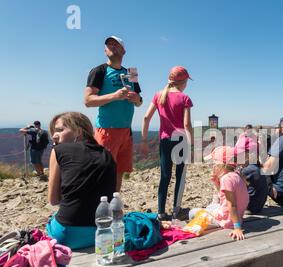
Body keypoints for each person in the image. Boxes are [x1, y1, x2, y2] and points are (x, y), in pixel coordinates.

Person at [46, 112, 117, 249]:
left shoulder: (58, 151)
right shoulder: (107, 154)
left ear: (79, 132)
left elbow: (53, 200)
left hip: (67, 235)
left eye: (60, 130)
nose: (54, 135)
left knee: (54, 218)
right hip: (103, 233)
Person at [84, 36, 143, 192]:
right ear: (105, 51)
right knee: (104, 172)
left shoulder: (131, 73)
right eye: (109, 45)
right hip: (107, 129)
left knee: (119, 172)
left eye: (116, 44)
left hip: (126, 130)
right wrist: (114, 96)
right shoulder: (99, 70)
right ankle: (99, 209)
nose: (112, 46)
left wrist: (137, 99)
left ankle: (113, 207)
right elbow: (88, 100)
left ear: (123, 50)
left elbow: (139, 101)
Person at [141, 66, 193, 220]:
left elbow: (145, 118)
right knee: (180, 176)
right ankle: (177, 211)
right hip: (181, 140)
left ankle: (161, 212)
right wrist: (190, 145)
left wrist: (143, 140)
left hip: (165, 140)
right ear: (183, 82)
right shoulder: (185, 98)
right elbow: (187, 125)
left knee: (165, 176)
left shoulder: (158, 95)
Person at [196, 146, 250, 240]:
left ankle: (215, 220)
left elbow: (232, 205)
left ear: (222, 164)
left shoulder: (226, 179)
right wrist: (217, 183)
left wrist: (237, 228)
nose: (212, 166)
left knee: (192, 212)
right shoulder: (236, 175)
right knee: (211, 207)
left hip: (228, 221)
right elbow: (225, 198)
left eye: (214, 162)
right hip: (237, 217)